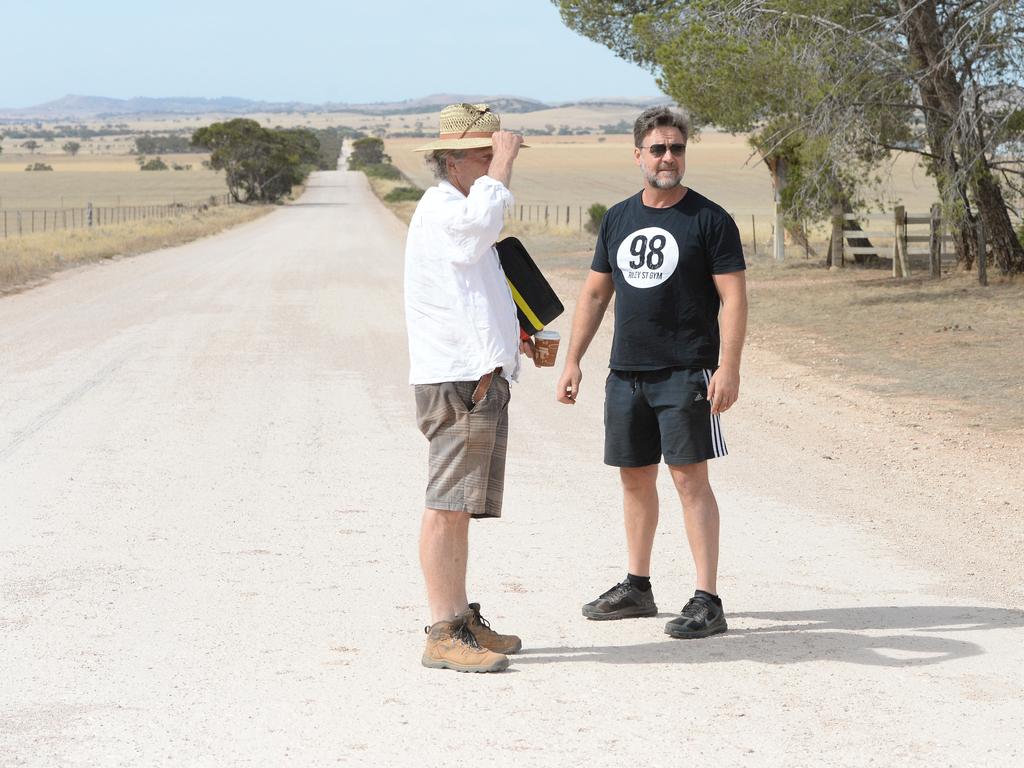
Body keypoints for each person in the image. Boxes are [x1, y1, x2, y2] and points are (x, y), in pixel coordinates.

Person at [555, 107, 748, 639]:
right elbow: (596, 292)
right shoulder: (618, 217)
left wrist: (727, 368)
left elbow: (733, 298)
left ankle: (708, 599)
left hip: (686, 372)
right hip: (627, 374)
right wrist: (573, 360)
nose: (668, 157)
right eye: (658, 148)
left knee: (690, 481)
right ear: (638, 153)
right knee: (634, 477)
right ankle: (637, 587)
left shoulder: (710, 220)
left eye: (677, 148)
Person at [404, 103, 535, 672]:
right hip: (456, 380)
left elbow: (477, 284)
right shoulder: (444, 208)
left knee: (459, 508)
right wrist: (502, 168)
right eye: (483, 155)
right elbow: (477, 233)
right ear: (453, 161)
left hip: (476, 376)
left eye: (494, 154)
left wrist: (515, 335)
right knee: (444, 505)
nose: (492, 164)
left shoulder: (457, 206)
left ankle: (459, 619)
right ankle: (441, 631)